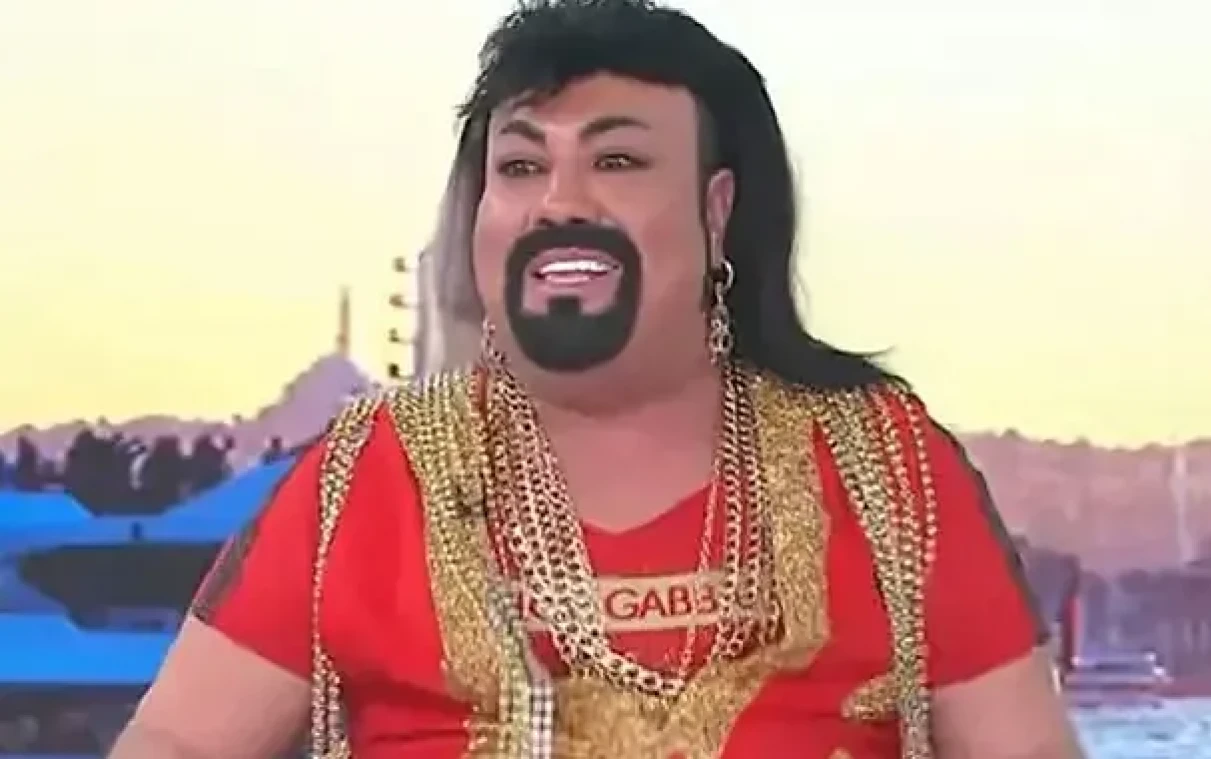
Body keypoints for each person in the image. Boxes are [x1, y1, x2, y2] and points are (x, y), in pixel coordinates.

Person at [112, 1, 1083, 757]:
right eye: (520, 166)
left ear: (716, 211)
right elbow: (178, 742)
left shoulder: (883, 466)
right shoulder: (367, 475)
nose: (558, 203)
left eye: (616, 160)